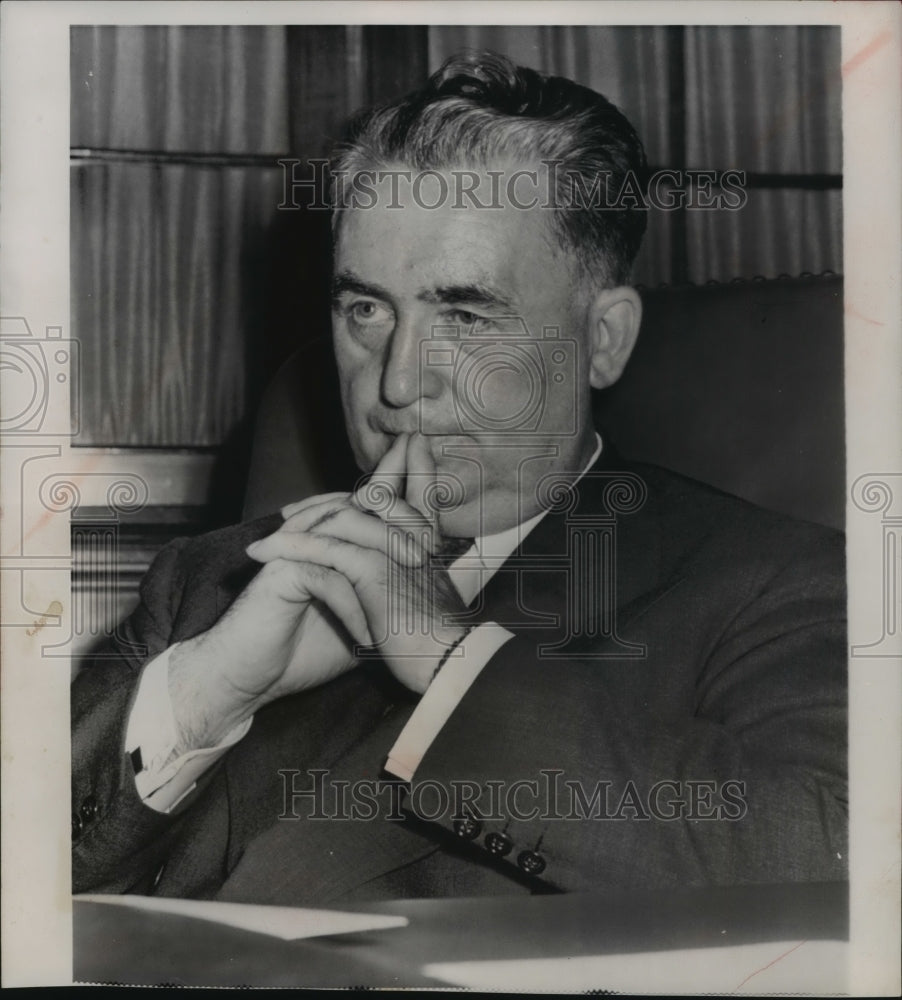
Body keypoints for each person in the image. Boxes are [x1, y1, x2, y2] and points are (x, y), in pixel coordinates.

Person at [72, 52, 846, 905]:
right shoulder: (206, 583)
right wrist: (205, 696)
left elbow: (844, 874)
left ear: (602, 340)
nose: (398, 381)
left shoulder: (776, 588)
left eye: (466, 315)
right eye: (366, 310)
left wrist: (451, 660)